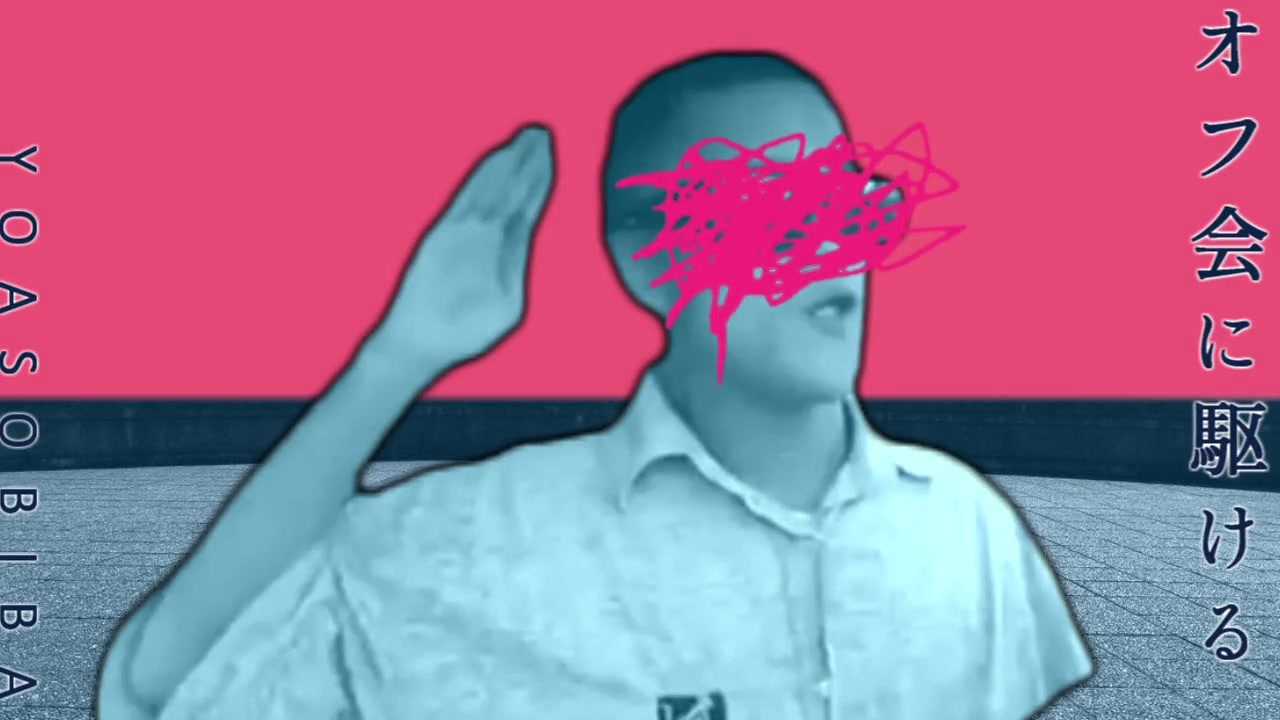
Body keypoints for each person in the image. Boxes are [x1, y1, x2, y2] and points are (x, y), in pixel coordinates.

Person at [96, 51, 1093, 720]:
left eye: (847, 201)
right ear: (649, 263)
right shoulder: (472, 538)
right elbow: (163, 688)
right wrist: (396, 358)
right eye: (773, 211)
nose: (831, 249)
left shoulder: (964, 526)